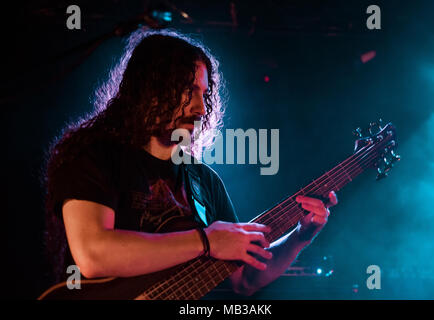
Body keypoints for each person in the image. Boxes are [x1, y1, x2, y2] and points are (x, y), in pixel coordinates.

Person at [44, 29, 338, 298]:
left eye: (204, 93)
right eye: (187, 91)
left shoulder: (203, 181)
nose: (200, 107)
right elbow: (94, 255)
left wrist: (299, 236)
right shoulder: (94, 155)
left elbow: (244, 280)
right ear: (150, 91)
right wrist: (206, 241)